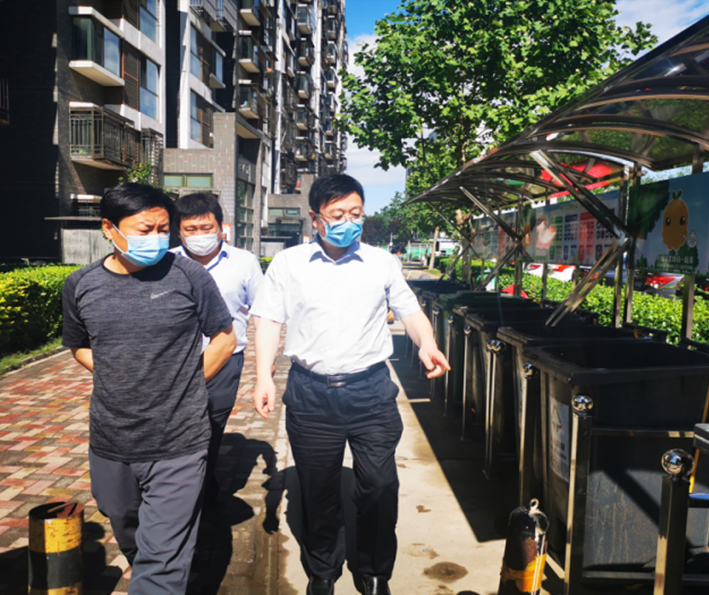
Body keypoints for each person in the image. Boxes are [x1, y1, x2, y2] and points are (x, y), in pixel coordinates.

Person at [251, 174, 450, 595]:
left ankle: (375, 571)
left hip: (370, 392)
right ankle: (323, 570)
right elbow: (269, 319)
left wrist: (428, 344)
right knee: (318, 491)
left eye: (355, 213)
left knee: (380, 485)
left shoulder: (382, 262)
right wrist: (263, 375)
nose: (348, 221)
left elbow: (409, 310)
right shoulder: (289, 264)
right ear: (315, 218)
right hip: (311, 393)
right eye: (337, 214)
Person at [62, 183, 236, 593]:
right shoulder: (80, 284)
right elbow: (78, 344)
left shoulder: (188, 275)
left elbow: (225, 339)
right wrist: (116, 373)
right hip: (111, 440)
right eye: (144, 230)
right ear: (109, 228)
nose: (156, 238)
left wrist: (185, 384)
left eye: (163, 229)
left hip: (179, 438)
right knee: (126, 526)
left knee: (162, 559)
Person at [170, 192, 264, 508]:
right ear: (179, 231)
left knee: (211, 427)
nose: (200, 235)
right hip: (173, 363)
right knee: (174, 427)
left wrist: (265, 365)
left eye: (206, 228)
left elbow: (261, 312)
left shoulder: (244, 262)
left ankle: (201, 493)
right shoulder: (165, 262)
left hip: (225, 361)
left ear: (220, 227)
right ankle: (180, 491)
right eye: (191, 229)